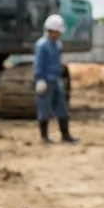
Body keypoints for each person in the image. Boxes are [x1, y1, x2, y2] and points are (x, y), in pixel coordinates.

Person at [34, 14, 77, 144]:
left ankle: (65, 134)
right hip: (45, 81)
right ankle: (44, 136)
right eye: (56, 32)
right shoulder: (42, 45)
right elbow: (38, 64)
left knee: (62, 107)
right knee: (44, 108)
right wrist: (39, 79)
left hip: (55, 80)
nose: (57, 35)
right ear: (50, 31)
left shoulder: (57, 45)